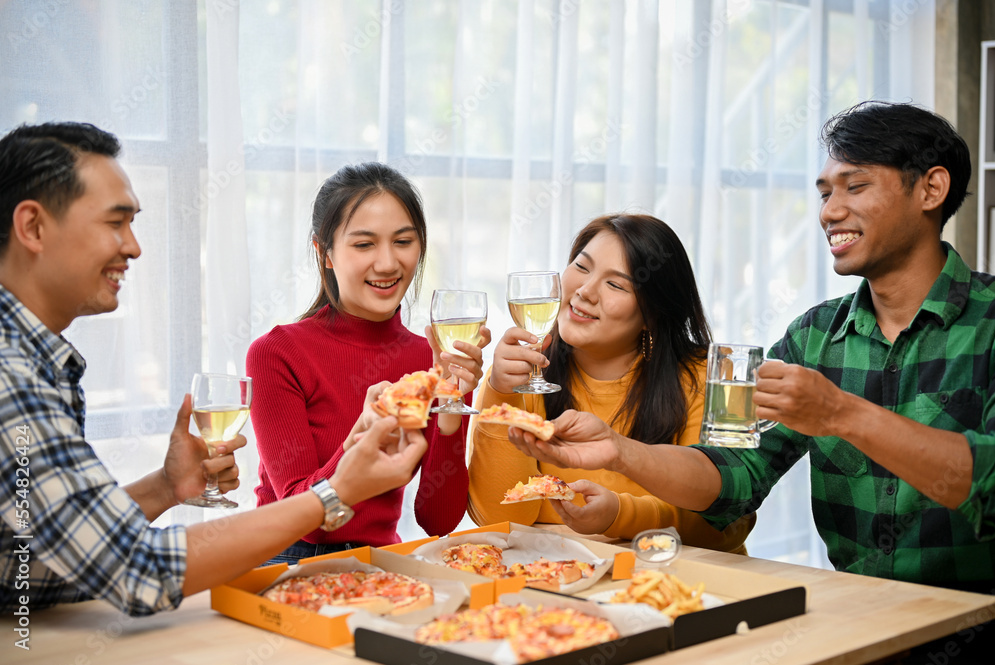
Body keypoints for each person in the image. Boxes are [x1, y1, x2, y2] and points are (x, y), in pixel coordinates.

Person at [505, 102, 995, 654]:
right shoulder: (814, 337)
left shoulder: (994, 323)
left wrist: (842, 414)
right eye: (824, 193)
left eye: (854, 186)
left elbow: (992, 482)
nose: (829, 211)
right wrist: (620, 451)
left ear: (931, 189)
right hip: (862, 625)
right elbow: (733, 480)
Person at [0, 122, 428, 616]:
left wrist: (164, 487)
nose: (134, 246)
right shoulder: (13, 374)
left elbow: (37, 555)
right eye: (115, 222)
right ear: (32, 227)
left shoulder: (35, 361)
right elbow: (138, 571)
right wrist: (337, 493)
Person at [247, 162, 489, 564]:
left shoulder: (425, 360)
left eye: (403, 242)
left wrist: (451, 406)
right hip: (285, 557)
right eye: (364, 245)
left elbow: (438, 519)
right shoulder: (277, 353)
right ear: (323, 252)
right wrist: (358, 438)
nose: (388, 264)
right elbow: (302, 517)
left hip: (378, 562)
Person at [468, 214, 754, 552]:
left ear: (653, 314)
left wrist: (619, 514)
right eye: (582, 267)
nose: (585, 291)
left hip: (683, 582)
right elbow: (500, 517)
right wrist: (501, 393)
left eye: (616, 284)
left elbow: (729, 522)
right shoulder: (524, 374)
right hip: (563, 583)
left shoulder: (714, 379)